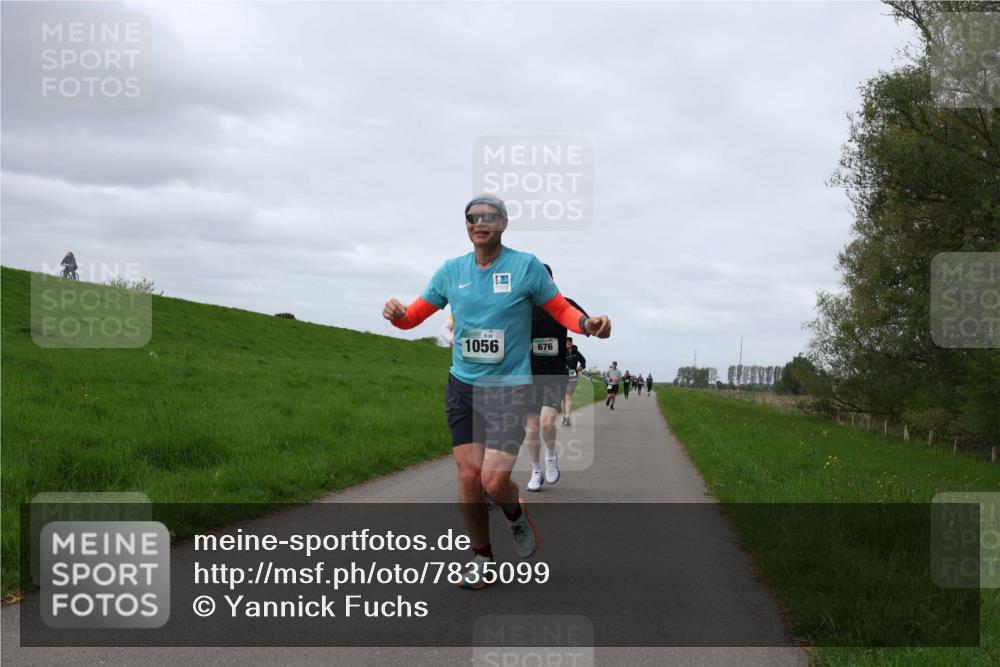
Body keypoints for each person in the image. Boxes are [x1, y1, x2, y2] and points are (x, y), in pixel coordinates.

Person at [382, 193, 611, 589]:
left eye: (489, 216)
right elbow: (412, 317)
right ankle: (482, 557)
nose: (479, 223)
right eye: (472, 217)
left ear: (503, 223)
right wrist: (396, 314)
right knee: (469, 478)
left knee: (492, 481)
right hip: (463, 389)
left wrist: (587, 325)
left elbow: (560, 308)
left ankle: (515, 513)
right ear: (466, 225)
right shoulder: (451, 271)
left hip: (509, 391)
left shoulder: (526, 267)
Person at [524, 264, 589, 492]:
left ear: (551, 281)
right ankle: (535, 470)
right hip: (529, 375)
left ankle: (550, 456)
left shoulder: (564, 304)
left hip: (554, 374)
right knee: (532, 429)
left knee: (546, 421)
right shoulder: (522, 307)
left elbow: (584, 322)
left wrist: (593, 325)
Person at [562, 337, 586, 427]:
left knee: (568, 397)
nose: (568, 343)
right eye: (566, 342)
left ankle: (567, 418)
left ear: (572, 343)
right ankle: (565, 416)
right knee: (563, 398)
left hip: (573, 377)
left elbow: (583, 361)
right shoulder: (561, 352)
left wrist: (580, 367)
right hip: (563, 376)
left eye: (570, 342)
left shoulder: (576, 352)